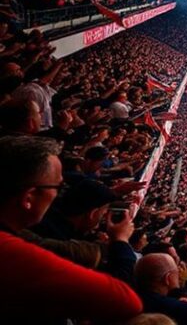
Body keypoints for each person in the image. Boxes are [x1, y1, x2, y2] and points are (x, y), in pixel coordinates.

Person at [0, 136, 142, 323]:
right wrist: (121, 240)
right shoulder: (12, 251)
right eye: (58, 187)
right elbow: (125, 301)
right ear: (29, 197)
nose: (60, 194)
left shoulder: (25, 232)